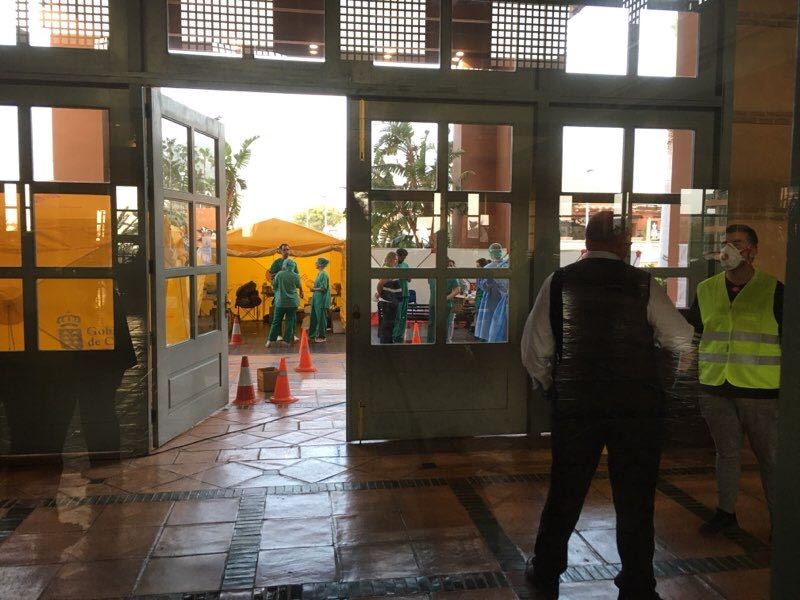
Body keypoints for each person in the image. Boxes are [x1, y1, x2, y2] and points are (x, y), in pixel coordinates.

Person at [520, 211, 694, 600]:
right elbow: (681, 339)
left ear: (587, 240)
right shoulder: (643, 284)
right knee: (636, 497)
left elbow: (535, 349)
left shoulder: (559, 281)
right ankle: (637, 581)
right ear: (622, 243)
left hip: (577, 405)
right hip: (637, 409)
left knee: (566, 490)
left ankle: (547, 568)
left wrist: (551, 387)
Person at [686, 224, 783, 536]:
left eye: (737, 243)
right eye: (726, 242)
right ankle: (725, 513)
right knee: (726, 454)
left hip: (760, 389)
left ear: (752, 251)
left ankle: (780, 522)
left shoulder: (775, 290)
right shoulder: (707, 289)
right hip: (716, 386)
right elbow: (696, 335)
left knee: (770, 458)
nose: (729, 249)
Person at [266, 258, 303, 348]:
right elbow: (298, 286)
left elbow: (274, 286)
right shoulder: (296, 276)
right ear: (293, 266)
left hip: (281, 302)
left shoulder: (279, 274)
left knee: (276, 321)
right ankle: (286, 341)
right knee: (290, 321)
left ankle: (270, 341)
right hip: (292, 302)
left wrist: (275, 288)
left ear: (284, 265)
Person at [475, 243, 508, 341]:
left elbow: (484, 286)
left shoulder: (488, 268)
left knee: (491, 326)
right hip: (504, 300)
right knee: (502, 325)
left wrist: (490, 281)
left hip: (491, 302)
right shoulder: (506, 266)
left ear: (490, 253)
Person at [268, 243, 300, 341]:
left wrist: (301, 290)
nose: (286, 251)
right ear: (280, 251)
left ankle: (292, 334)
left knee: (291, 318)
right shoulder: (277, 262)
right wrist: (274, 284)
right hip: (280, 292)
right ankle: (278, 335)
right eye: (284, 250)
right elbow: (270, 274)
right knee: (278, 317)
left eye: (288, 249)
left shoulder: (293, 263)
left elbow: (297, 277)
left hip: (289, 292)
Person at [376, 251, 401, 344]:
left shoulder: (388, 268)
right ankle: (386, 344)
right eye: (395, 259)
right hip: (388, 302)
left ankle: (388, 342)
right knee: (388, 324)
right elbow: (380, 284)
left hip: (390, 301)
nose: (396, 261)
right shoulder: (388, 270)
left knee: (389, 323)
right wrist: (381, 294)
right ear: (390, 259)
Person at [309, 257, 331, 343]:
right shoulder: (319, 274)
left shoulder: (323, 274)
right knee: (314, 317)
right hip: (316, 299)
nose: (315, 263)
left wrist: (313, 289)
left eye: (317, 262)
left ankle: (322, 336)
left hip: (321, 300)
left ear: (321, 264)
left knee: (321, 318)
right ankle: (313, 335)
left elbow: (323, 288)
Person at [391, 248, 411, 343]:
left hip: (406, 293)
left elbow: (409, 279)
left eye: (405, 257)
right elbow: (391, 279)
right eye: (402, 257)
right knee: (397, 316)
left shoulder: (406, 265)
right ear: (398, 255)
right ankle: (394, 335)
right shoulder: (393, 265)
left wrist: (404, 276)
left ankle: (400, 336)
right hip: (396, 294)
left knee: (403, 317)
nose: (404, 258)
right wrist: (402, 276)